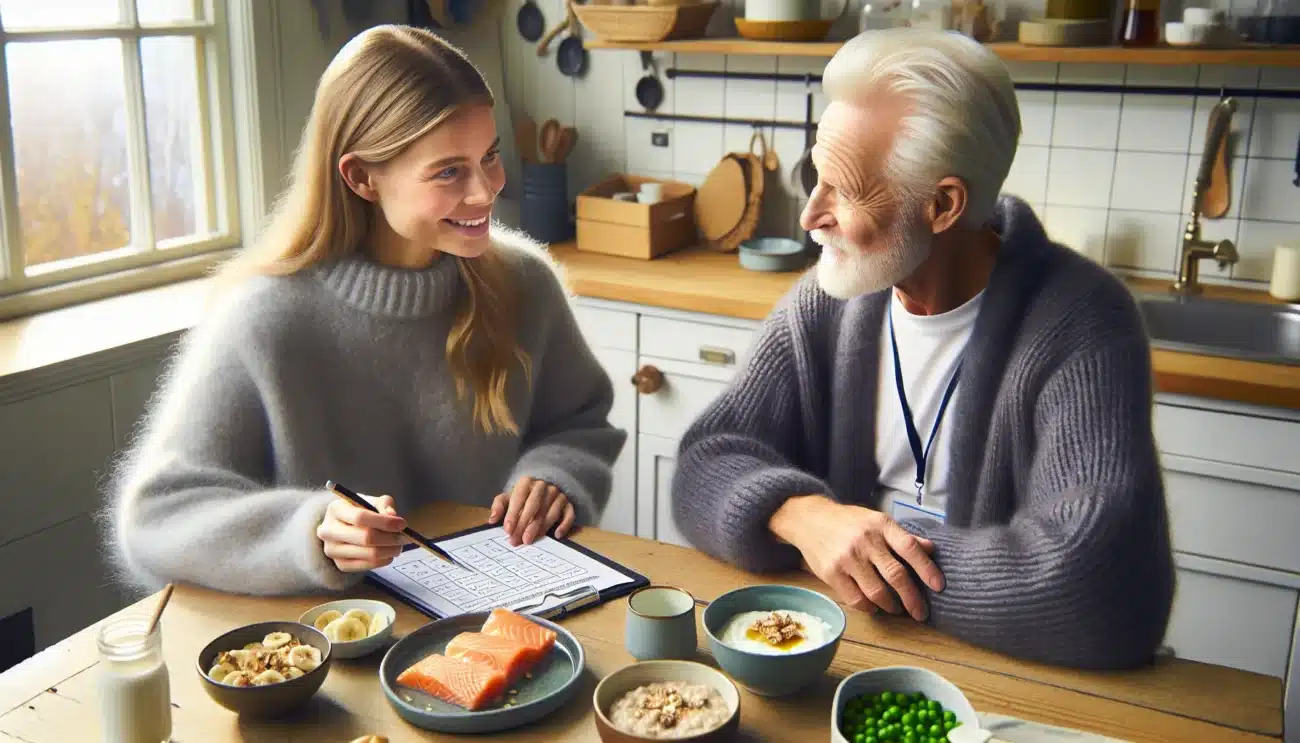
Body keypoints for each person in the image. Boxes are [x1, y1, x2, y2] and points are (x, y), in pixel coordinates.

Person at [670, 29, 1175, 669]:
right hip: (840, 648)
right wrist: (803, 517)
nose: (809, 216)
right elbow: (704, 463)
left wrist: (877, 566)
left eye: (844, 190)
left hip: (1008, 671)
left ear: (941, 205)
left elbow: (1098, 583)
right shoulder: (828, 297)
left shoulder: (1084, 322)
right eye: (814, 177)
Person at [105, 25, 626, 597]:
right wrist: (311, 533)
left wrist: (556, 476)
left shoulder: (527, 283)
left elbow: (580, 423)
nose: (486, 192)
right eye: (449, 171)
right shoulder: (264, 319)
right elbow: (156, 519)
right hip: (333, 648)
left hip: (502, 621)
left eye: (490, 157)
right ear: (360, 177)